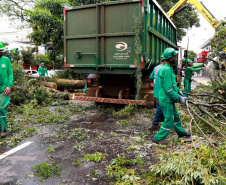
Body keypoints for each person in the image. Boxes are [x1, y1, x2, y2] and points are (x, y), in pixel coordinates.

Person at [153, 48, 190, 145]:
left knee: (176, 116)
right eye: (175, 56)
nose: (177, 58)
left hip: (169, 99)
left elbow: (173, 85)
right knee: (169, 119)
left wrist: (179, 91)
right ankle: (158, 138)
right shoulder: (166, 70)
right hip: (166, 100)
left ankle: (181, 133)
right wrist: (179, 98)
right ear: (171, 58)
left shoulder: (169, 69)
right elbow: (168, 89)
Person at [148, 54, 165, 132]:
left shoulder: (156, 68)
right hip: (163, 92)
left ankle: (161, 120)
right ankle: (155, 124)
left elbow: (151, 77)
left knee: (160, 106)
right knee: (160, 107)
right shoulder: (166, 69)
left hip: (157, 91)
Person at [0, 42, 13, 138]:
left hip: (4, 89)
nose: (2, 53)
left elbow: (10, 74)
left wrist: (9, 86)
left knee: (1, 108)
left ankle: (3, 129)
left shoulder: (6, 60)